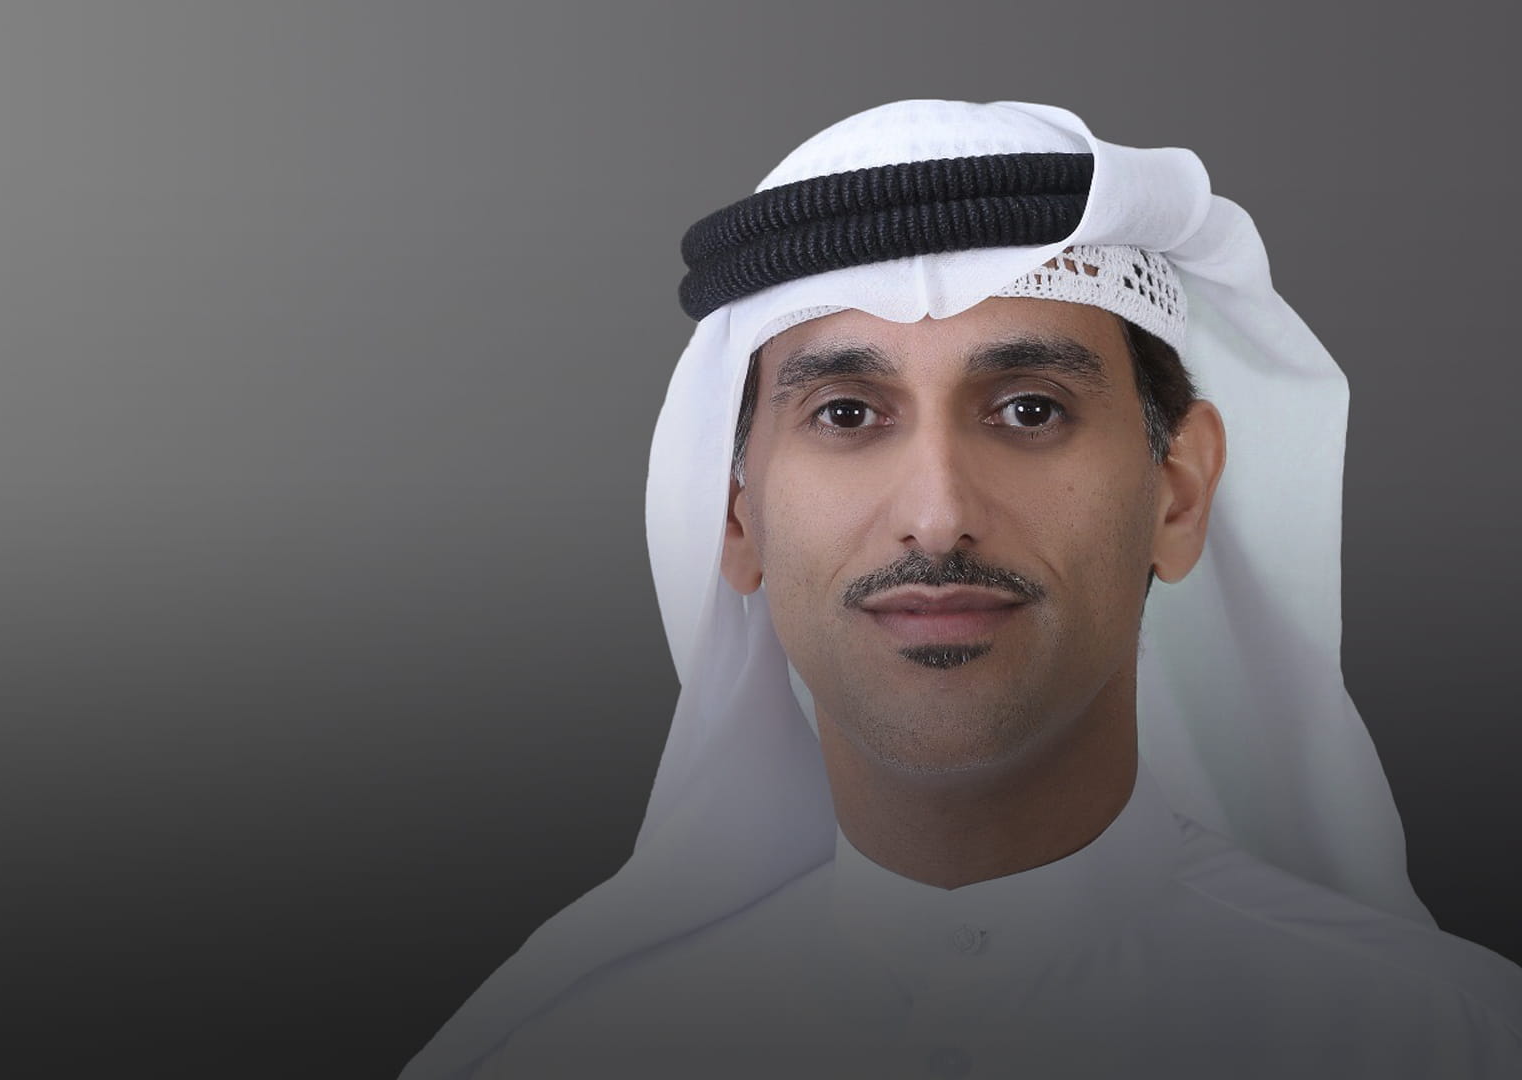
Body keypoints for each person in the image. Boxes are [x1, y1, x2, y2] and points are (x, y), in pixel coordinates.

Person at [401, 100, 1522, 1079]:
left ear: (1177, 495)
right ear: (733, 518)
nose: (937, 517)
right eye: (847, 414)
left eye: (1030, 408)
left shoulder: (1447, 1044)